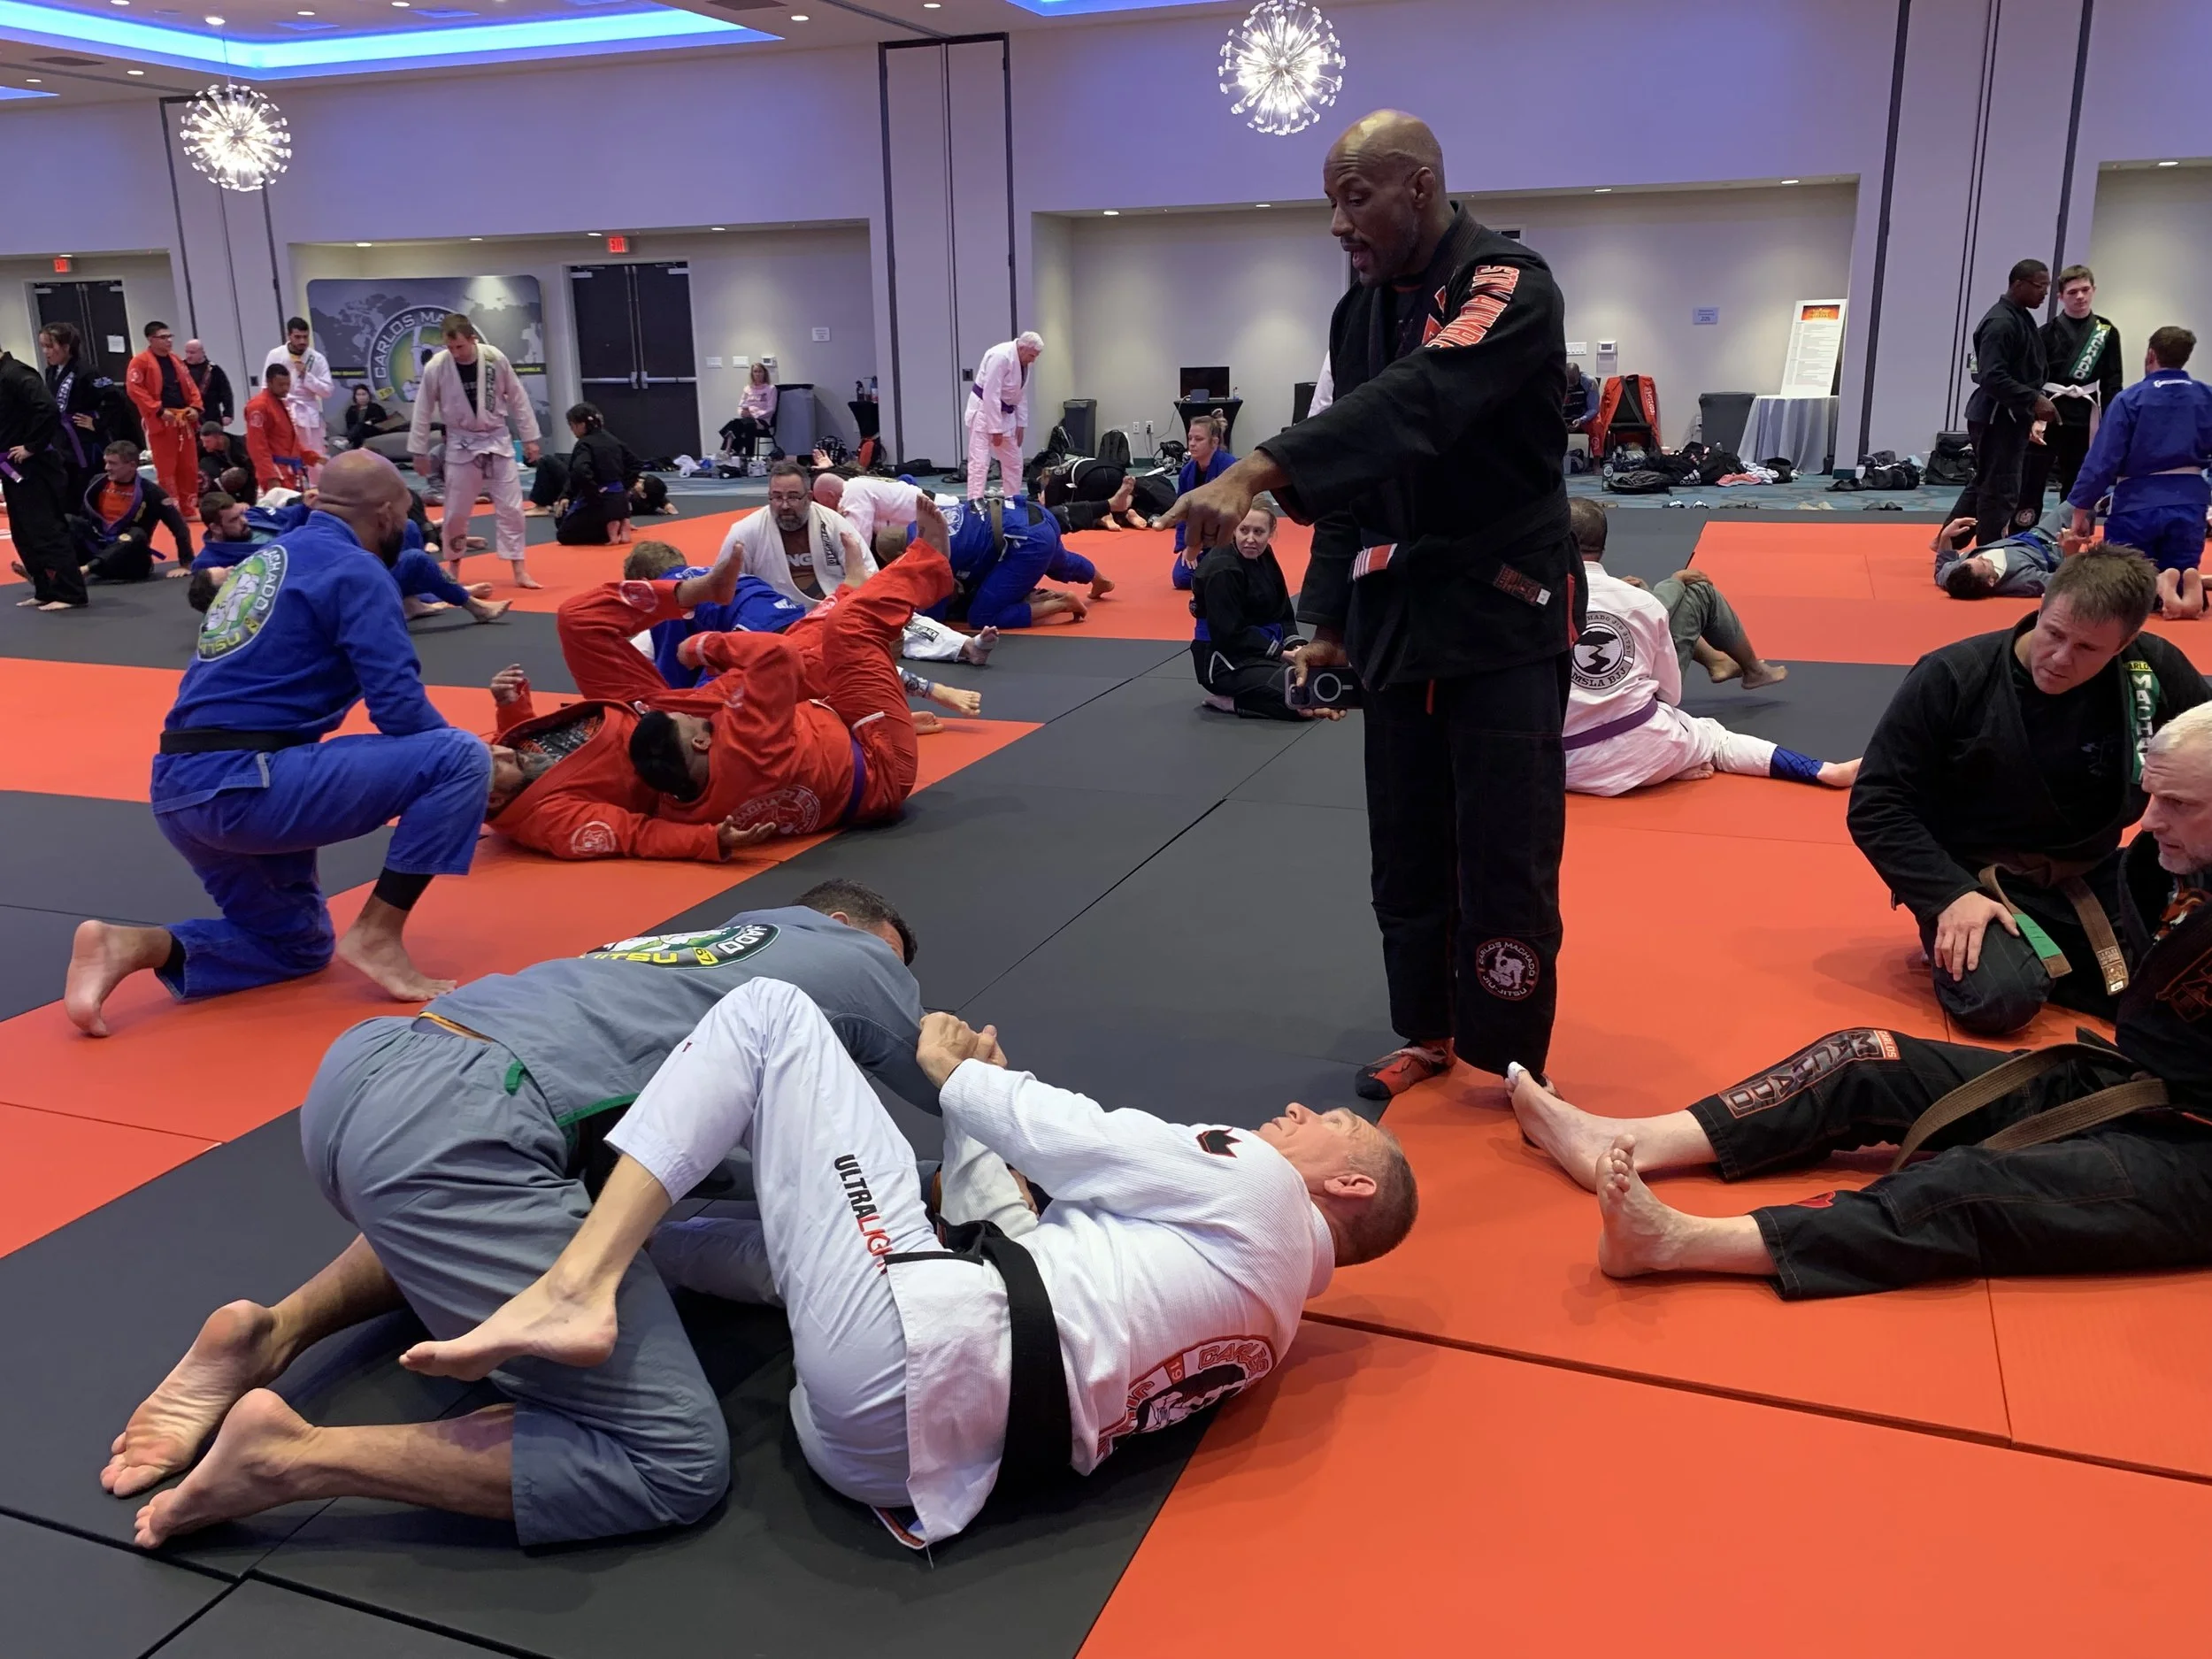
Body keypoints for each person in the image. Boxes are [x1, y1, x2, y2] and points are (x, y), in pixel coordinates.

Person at [365, 987, 1412, 1551]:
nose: (1292, 1116)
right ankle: (578, 1240)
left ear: (1350, 1190)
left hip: (904, 1357)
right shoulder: (1267, 1325)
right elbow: (1016, 1242)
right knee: (808, 1245)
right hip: (894, 1467)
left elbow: (1087, 1140)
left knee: (771, 1019)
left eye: (1323, 1124)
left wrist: (965, 1078)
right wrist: (981, 1121)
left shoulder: (1263, 1187)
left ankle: (574, 1282)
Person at [103, 886, 942, 1548]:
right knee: (672, 1462)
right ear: (844, 923)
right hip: (463, 1129)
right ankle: (288, 1457)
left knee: (554, 1205)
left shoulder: (678, 955)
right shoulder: (854, 958)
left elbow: (735, 1166)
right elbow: (957, 1095)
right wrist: (978, 1106)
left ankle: (273, 1332)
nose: (895, 988)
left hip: (369, 1075)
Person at [1510, 700, 2212, 1298]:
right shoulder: (2165, 861)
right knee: (1863, 1056)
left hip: (2198, 1160)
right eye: (2150, 796)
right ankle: (1629, 1138)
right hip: (2136, 1081)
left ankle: (1677, 1242)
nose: (2148, 820)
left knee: (1964, 1185)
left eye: (2176, 804)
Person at [1161, 109, 1581, 1102]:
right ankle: (1427, 1030)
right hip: (1396, 615)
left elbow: (1422, 402)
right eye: (1329, 202)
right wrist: (1328, 625)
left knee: (1505, 845)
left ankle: (1512, 1054)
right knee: (1404, 838)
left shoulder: (1508, 284)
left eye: (1354, 198)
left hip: (1500, 611)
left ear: (1418, 188)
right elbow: (1358, 463)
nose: (1338, 224)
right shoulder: (1358, 310)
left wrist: (1257, 469)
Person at [63, 451, 493, 1038]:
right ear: (390, 511)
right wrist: (483, 772)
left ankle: (132, 945)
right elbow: (401, 711)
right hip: (246, 785)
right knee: (461, 758)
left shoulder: (267, 559)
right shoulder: (357, 570)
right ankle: (378, 933)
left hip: (180, 790)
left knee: (296, 946)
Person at [1848, 545, 2206, 1038]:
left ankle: (2072, 957)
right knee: (2002, 998)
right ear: (2040, 608)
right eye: (2053, 633)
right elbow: (1877, 803)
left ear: (2124, 645)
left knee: (2192, 976)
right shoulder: (1955, 676)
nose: (2060, 659)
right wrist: (1948, 895)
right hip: (1977, 876)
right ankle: (2025, 951)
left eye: (2086, 649)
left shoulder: (2150, 670)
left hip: (2097, 868)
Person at [484, 507, 957, 860]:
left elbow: (513, 748)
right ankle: (919, 568)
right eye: (497, 764)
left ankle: (701, 591)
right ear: (493, 800)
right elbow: (635, 835)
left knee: (576, 619)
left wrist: (513, 712)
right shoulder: (550, 821)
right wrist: (709, 841)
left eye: (491, 748)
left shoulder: (508, 759)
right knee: (819, 644)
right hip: (685, 753)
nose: (505, 748)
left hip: (645, 719)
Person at [1568, 499, 1855, 795]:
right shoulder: (1643, 603)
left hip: (1560, 765)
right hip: (1646, 753)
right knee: (1717, 739)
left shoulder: (1536, 600)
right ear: (1603, 546)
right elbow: (1669, 694)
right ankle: (1821, 769)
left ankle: (1669, 758)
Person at [2066, 326, 2212, 621]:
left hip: (2137, 502)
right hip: (2189, 498)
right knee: (2182, 569)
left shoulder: (2130, 399)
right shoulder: (2206, 397)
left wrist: (2080, 510)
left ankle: (2158, 593)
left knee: (2124, 585)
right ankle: (2183, 590)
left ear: (2151, 355)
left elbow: (2102, 461)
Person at [408, 313, 543, 589]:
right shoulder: (438, 366)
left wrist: (530, 439)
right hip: (460, 443)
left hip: (497, 439)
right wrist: (419, 452)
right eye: (450, 347)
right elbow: (422, 409)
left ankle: (519, 569)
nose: (455, 353)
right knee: (456, 512)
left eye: (460, 346)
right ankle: (454, 569)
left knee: (512, 509)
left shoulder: (494, 358)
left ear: (473, 339)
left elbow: (517, 398)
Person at [1192, 500, 1336, 723]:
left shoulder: (1264, 554)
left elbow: (1283, 611)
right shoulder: (1222, 569)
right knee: (1299, 701)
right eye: (1244, 530)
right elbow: (1229, 633)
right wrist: (1281, 653)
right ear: (1233, 529)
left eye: (1258, 532)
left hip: (1260, 651)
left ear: (1271, 533)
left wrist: (1295, 646)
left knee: (1323, 680)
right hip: (1224, 660)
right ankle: (1230, 703)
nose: (1250, 539)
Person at [1947, 260, 2057, 548]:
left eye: (2047, 286)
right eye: (2039, 286)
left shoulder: (2019, 316)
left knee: (1988, 481)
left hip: (2007, 415)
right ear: (2018, 284)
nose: (2045, 293)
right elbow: (1990, 376)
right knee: (2000, 489)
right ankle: (1989, 551)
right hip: (1997, 416)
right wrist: (2033, 399)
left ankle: (1948, 540)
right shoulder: (2001, 323)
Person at [926, 493, 1103, 629]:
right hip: (1028, 512)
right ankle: (1101, 581)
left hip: (1025, 541)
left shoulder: (927, 559)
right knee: (1061, 563)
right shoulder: (919, 520)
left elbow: (933, 619)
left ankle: (1062, 603)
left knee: (982, 617)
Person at [0, 343, 88, 611]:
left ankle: (71, 592)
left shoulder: (16, 374)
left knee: (46, 529)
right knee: (24, 532)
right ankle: (45, 588)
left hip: (34, 465)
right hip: (12, 466)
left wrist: (32, 445)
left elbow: (48, 408)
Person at [719, 459, 874, 607]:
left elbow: (869, 574)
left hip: (832, 611)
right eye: (777, 497)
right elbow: (725, 586)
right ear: (769, 497)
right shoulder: (745, 531)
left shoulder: (834, 524)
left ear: (809, 497)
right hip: (772, 617)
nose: (785, 505)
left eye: (793, 497)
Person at [2032, 265, 2123, 503]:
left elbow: (2113, 382)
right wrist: (2033, 417)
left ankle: (2070, 531)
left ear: (2094, 290)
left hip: (2085, 415)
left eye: (2085, 290)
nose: (2080, 296)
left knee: (2078, 479)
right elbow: (2034, 379)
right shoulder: (2046, 333)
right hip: (2050, 412)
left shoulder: (2106, 332)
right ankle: (2026, 529)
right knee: (2034, 477)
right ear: (2061, 296)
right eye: (2073, 292)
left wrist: (2112, 421)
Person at [73, 439, 194, 583]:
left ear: (131, 465)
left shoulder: (153, 492)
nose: (107, 467)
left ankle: (87, 569)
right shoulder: (97, 482)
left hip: (131, 562)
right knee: (69, 521)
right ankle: (63, 570)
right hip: (99, 551)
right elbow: (83, 519)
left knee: (136, 534)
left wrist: (186, 564)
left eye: (113, 463)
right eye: (106, 462)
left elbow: (180, 528)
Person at [529, 403, 640, 546]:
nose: (572, 430)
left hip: (599, 498)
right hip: (618, 497)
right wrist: (623, 486)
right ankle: (619, 527)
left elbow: (580, 471)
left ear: (580, 425)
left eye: (572, 425)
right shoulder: (613, 440)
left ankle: (606, 533)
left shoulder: (584, 444)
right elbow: (636, 464)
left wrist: (593, 494)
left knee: (563, 533)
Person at [127, 321, 203, 523]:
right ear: (151, 339)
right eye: (163, 337)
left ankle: (188, 507)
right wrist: (157, 410)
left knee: (188, 466)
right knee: (166, 467)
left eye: (170, 337)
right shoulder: (140, 362)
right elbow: (135, 391)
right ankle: (171, 509)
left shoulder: (176, 360)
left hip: (182, 418)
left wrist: (195, 407)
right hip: (162, 421)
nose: (168, 341)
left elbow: (191, 386)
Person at [38, 320, 113, 507]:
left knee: (85, 487)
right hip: (61, 439)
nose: (46, 352)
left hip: (83, 439)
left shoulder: (87, 371)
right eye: (43, 347)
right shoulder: (51, 371)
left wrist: (98, 423)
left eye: (50, 346)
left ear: (66, 347)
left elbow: (114, 400)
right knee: (65, 486)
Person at [1932, 505, 2071, 599]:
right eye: (1983, 563)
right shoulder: (2022, 581)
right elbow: (2067, 582)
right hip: (2051, 544)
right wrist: (2070, 551)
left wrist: (1945, 536)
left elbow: (1941, 568)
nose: (1981, 556)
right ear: (1991, 581)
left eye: (1975, 557)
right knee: (2078, 503)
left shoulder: (1955, 576)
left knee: (2081, 499)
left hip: (2029, 534)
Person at [964, 332, 1041, 500]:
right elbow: (991, 394)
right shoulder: (1000, 356)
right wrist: (995, 429)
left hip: (1006, 413)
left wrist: (1021, 424)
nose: (1033, 360)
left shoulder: (1023, 362)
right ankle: (974, 502)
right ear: (1022, 348)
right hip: (983, 412)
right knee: (980, 462)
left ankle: (1012, 499)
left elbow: (1020, 395)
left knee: (1014, 461)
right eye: (1032, 355)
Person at [1169, 412, 1236, 590]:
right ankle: (1212, 575)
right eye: (1190, 438)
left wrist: (1202, 544)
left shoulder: (1229, 467)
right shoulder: (1187, 472)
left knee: (1220, 571)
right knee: (1181, 578)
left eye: (1198, 439)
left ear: (1214, 442)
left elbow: (1233, 512)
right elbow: (1182, 514)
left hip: (1226, 537)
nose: (1192, 443)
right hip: (1197, 540)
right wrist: (1186, 546)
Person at [264, 317, 334, 485]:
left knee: (315, 454)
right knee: (287, 452)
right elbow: (266, 386)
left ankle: (320, 491)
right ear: (289, 335)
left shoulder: (317, 359)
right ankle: (291, 489)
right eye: (298, 337)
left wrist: (306, 376)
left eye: (305, 337)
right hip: (284, 408)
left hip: (308, 412)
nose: (302, 341)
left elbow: (327, 391)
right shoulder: (276, 355)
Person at [244, 365, 317, 494]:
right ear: (269, 383)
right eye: (281, 385)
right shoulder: (258, 406)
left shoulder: (279, 402)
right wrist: (270, 476)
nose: (286, 389)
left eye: (288, 384)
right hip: (276, 472)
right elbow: (256, 445)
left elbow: (287, 439)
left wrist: (312, 457)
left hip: (290, 471)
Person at [718, 362, 780, 465]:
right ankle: (735, 453)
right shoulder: (747, 389)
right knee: (740, 423)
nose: (758, 374)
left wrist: (754, 415)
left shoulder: (771, 389)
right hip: (747, 419)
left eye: (760, 371)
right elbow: (740, 405)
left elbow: (771, 409)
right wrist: (742, 412)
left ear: (764, 373)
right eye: (755, 372)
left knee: (741, 424)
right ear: (752, 374)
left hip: (762, 420)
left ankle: (734, 452)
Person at [181, 339, 234, 428]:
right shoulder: (180, 368)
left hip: (211, 414)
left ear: (202, 352)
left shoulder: (214, 370)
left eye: (192, 353)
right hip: (187, 414)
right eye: (187, 352)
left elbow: (226, 393)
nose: (188, 356)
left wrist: (228, 414)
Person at [342, 382, 404, 452]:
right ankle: (358, 452)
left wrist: (371, 421)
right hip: (358, 431)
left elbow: (382, 419)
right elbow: (349, 424)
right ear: (355, 397)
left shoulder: (375, 407)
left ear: (368, 395)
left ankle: (347, 442)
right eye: (358, 395)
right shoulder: (352, 409)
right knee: (359, 431)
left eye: (364, 394)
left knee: (361, 425)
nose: (361, 397)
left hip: (374, 429)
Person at [197, 416, 250, 491]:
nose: (204, 445)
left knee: (239, 474)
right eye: (203, 441)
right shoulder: (203, 446)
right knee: (204, 463)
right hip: (222, 472)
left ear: (219, 438)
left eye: (208, 442)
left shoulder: (239, 449)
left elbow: (251, 475)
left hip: (242, 473)